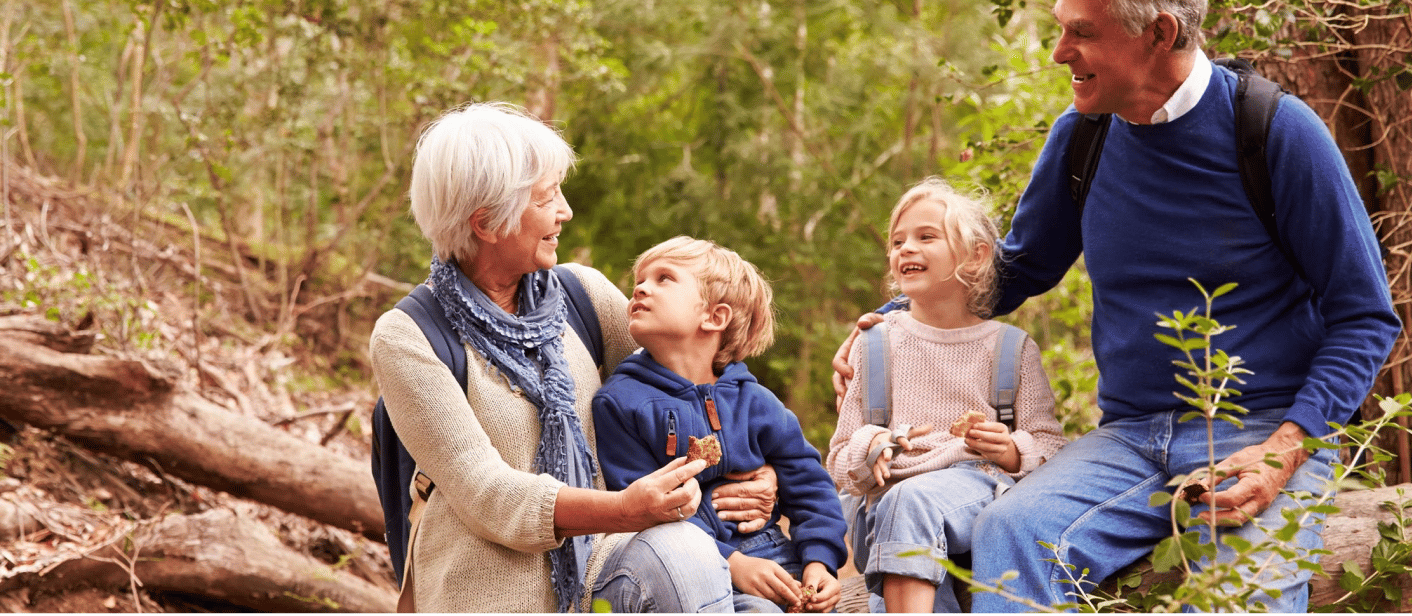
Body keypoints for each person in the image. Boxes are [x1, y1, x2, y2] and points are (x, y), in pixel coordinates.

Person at [832, 0, 1401, 611]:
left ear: (1159, 33)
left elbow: (1365, 317)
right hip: (1128, 439)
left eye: (1082, 33)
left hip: (1259, 427)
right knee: (1011, 530)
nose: (1059, 53)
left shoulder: (1274, 130)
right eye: (1060, 30)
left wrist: (1286, 448)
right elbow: (1014, 271)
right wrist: (892, 321)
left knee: (1232, 599)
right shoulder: (1083, 137)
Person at [369, 102, 780, 613]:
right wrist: (624, 510)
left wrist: (766, 469)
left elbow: (700, 386)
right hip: (494, 593)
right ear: (487, 223)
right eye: (547, 198)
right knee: (690, 556)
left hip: (606, 565)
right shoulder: (407, 336)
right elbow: (488, 495)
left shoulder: (581, 294)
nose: (565, 211)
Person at [826, 179, 1067, 614]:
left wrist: (1012, 450)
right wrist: (870, 449)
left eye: (926, 237)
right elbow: (841, 461)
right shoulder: (874, 345)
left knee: (910, 500)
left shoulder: (1010, 348)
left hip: (976, 491)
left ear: (974, 254)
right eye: (897, 241)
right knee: (901, 505)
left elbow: (1050, 444)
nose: (906, 249)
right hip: (885, 519)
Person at [592, 236, 848, 614]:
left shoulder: (755, 401)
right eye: (640, 279)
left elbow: (809, 482)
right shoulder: (621, 402)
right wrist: (732, 563)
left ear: (714, 317)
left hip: (779, 557)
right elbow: (642, 511)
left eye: (664, 278)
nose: (640, 287)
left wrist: (819, 563)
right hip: (691, 572)